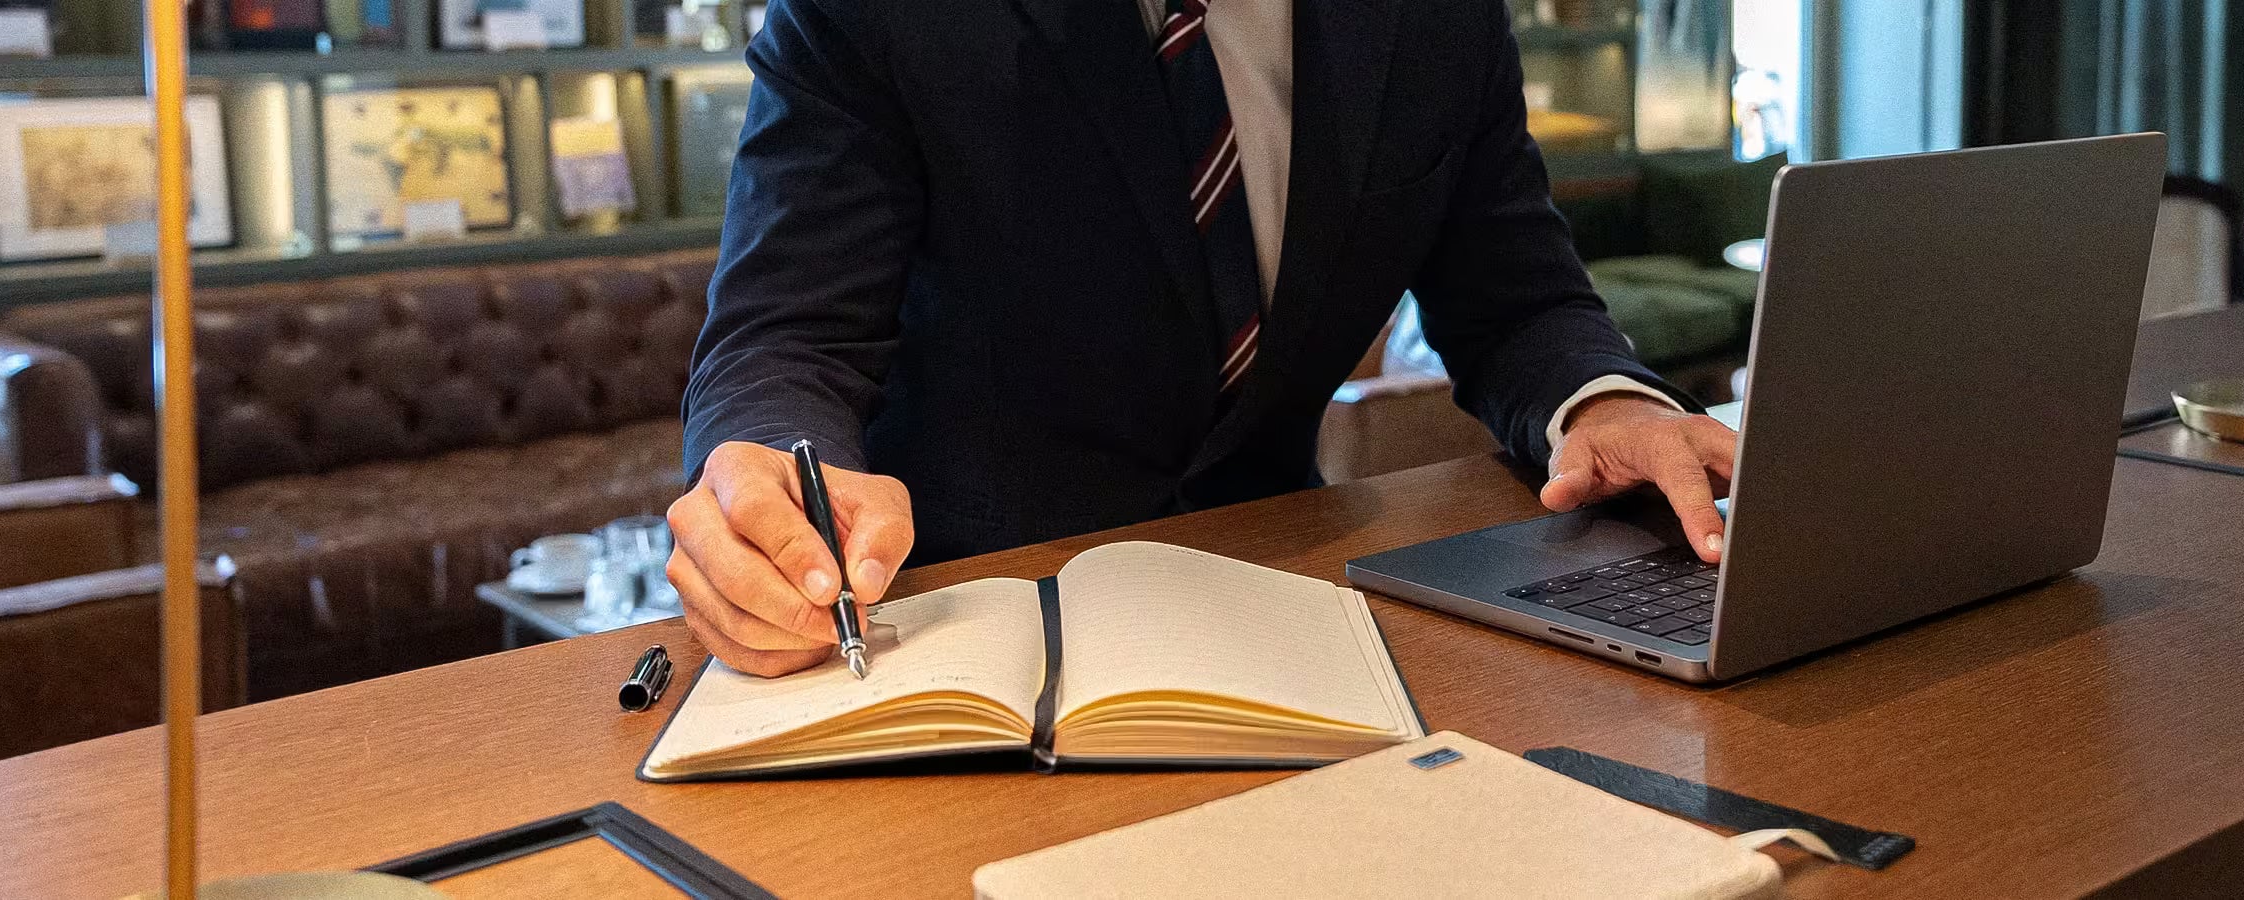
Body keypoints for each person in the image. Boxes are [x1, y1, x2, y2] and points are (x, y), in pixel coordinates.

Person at [669, 0, 1739, 676]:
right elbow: (788, 334)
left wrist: (1607, 401)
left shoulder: (1437, 19)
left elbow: (1519, 301)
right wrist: (762, 478)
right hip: (955, 625)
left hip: (1295, 603)